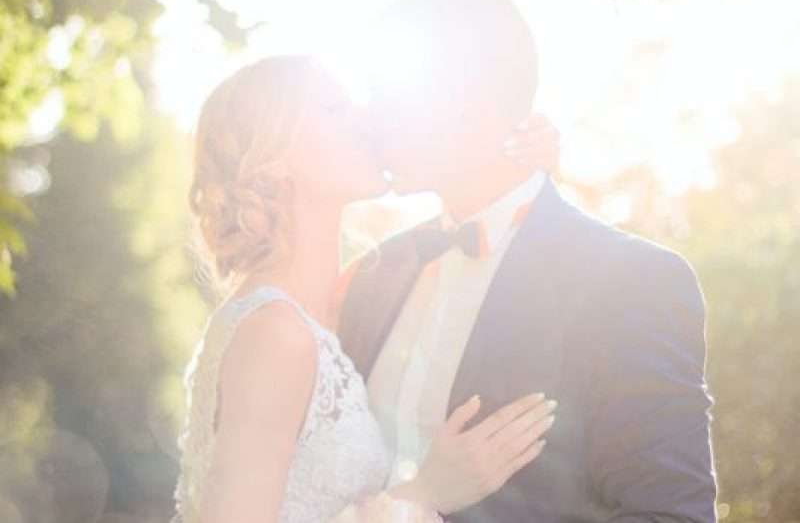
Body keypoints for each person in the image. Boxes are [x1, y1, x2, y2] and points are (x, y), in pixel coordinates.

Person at [338, 0, 717, 522]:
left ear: (468, 110)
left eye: (387, 97)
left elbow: (669, 513)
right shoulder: (376, 274)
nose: (368, 120)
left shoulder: (630, 282)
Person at [171, 55, 561, 522]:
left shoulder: (336, 307)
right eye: (335, 108)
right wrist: (423, 493)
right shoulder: (275, 334)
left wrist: (509, 160)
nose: (367, 118)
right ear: (273, 161)